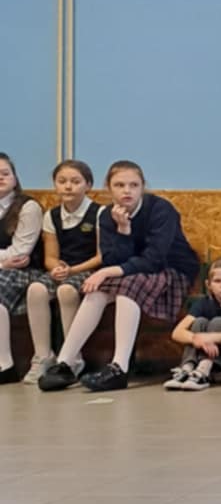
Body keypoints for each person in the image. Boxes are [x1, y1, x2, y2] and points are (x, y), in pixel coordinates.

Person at [37, 161, 198, 393]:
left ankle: (119, 367)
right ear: (109, 188)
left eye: (134, 185)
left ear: (142, 186)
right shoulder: (106, 215)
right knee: (97, 290)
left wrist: (105, 272)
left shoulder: (161, 209)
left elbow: (154, 259)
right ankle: (65, 363)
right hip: (131, 271)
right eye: (119, 185)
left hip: (171, 269)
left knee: (125, 289)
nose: (127, 191)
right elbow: (113, 259)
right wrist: (123, 231)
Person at [23, 160, 101, 382]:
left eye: (75, 181)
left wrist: (73, 270)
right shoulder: (52, 216)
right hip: (63, 270)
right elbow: (50, 256)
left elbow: (101, 256)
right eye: (62, 181)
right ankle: (42, 356)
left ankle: (72, 357)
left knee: (66, 291)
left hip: (88, 269)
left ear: (88, 185)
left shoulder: (98, 213)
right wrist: (56, 268)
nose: (68, 186)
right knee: (36, 289)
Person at [166, 259, 221, 391]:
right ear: (208, 284)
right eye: (218, 281)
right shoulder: (204, 303)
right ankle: (187, 368)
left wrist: (211, 338)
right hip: (207, 352)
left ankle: (203, 371)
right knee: (199, 322)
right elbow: (177, 332)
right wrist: (197, 339)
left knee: (217, 322)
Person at [0, 153, 44, 386]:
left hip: (24, 273)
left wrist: (5, 263)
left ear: (15, 178)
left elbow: (19, 252)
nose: (1, 178)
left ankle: (4, 365)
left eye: (5, 173)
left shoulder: (28, 207)